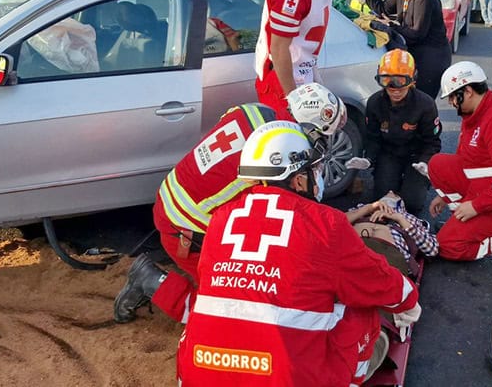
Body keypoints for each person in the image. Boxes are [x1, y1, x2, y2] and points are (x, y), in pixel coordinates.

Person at [176, 121, 421, 386]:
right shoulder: (324, 224)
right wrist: (407, 300)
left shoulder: (220, 220)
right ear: (299, 178)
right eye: (313, 169)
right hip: (286, 378)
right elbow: (377, 282)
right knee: (362, 313)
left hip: (200, 372)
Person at [113, 84, 347, 325]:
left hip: (173, 197)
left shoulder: (252, 111)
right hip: (186, 229)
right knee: (234, 314)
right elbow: (282, 215)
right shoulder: (274, 158)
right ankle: (153, 282)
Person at [255, 0, 372, 119]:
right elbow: (279, 48)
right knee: (289, 145)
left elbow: (306, 53)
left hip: (302, 78)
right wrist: (293, 98)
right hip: (281, 83)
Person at [426, 61, 492, 261]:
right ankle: (465, 222)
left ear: (468, 91)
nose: (451, 103)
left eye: (454, 97)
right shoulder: (474, 112)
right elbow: (465, 159)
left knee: (447, 246)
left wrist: (476, 206)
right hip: (483, 189)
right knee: (436, 164)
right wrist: (444, 197)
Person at [346, 49, 440, 217]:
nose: (395, 89)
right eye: (387, 81)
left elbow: (432, 142)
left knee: (412, 202)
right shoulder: (375, 103)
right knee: (381, 198)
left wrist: (426, 162)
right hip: (389, 153)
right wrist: (368, 159)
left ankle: (418, 184)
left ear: (412, 79)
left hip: (417, 157)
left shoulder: (425, 105)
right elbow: (373, 138)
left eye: (401, 81)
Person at [357, 0, 451, 99]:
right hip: (413, 53)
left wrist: (391, 25)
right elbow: (384, 8)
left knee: (420, 103)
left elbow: (417, 33)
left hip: (431, 58)